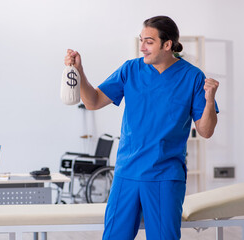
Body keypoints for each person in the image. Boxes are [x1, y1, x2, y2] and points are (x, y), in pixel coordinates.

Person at [64, 15, 219, 240]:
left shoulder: (192, 77)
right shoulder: (130, 70)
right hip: (127, 172)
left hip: (164, 174)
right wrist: (79, 71)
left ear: (167, 45)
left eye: (148, 41)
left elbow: (205, 131)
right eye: (141, 40)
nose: (142, 47)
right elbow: (93, 101)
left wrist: (210, 98)